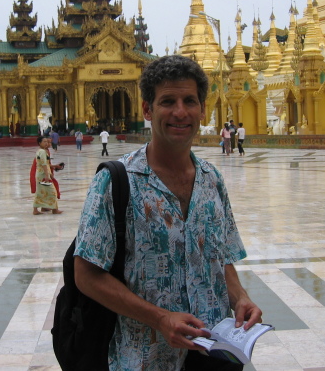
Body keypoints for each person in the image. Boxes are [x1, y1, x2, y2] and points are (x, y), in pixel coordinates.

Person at [74, 55, 262, 370]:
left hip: (214, 354)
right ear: (147, 109)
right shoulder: (115, 181)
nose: (180, 112)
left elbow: (220, 256)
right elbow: (86, 275)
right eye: (167, 101)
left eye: (190, 101)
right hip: (146, 359)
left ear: (203, 109)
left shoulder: (212, 180)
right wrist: (160, 319)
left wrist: (240, 297)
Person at [33, 136, 63, 215]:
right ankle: (54, 209)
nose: (46, 143)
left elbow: (46, 164)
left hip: (40, 174)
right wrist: (47, 175)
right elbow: (44, 164)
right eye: (44, 142)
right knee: (52, 192)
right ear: (39, 143)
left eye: (47, 141)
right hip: (43, 174)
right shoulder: (42, 152)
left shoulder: (40, 151)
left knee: (39, 192)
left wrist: (50, 174)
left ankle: (35, 209)